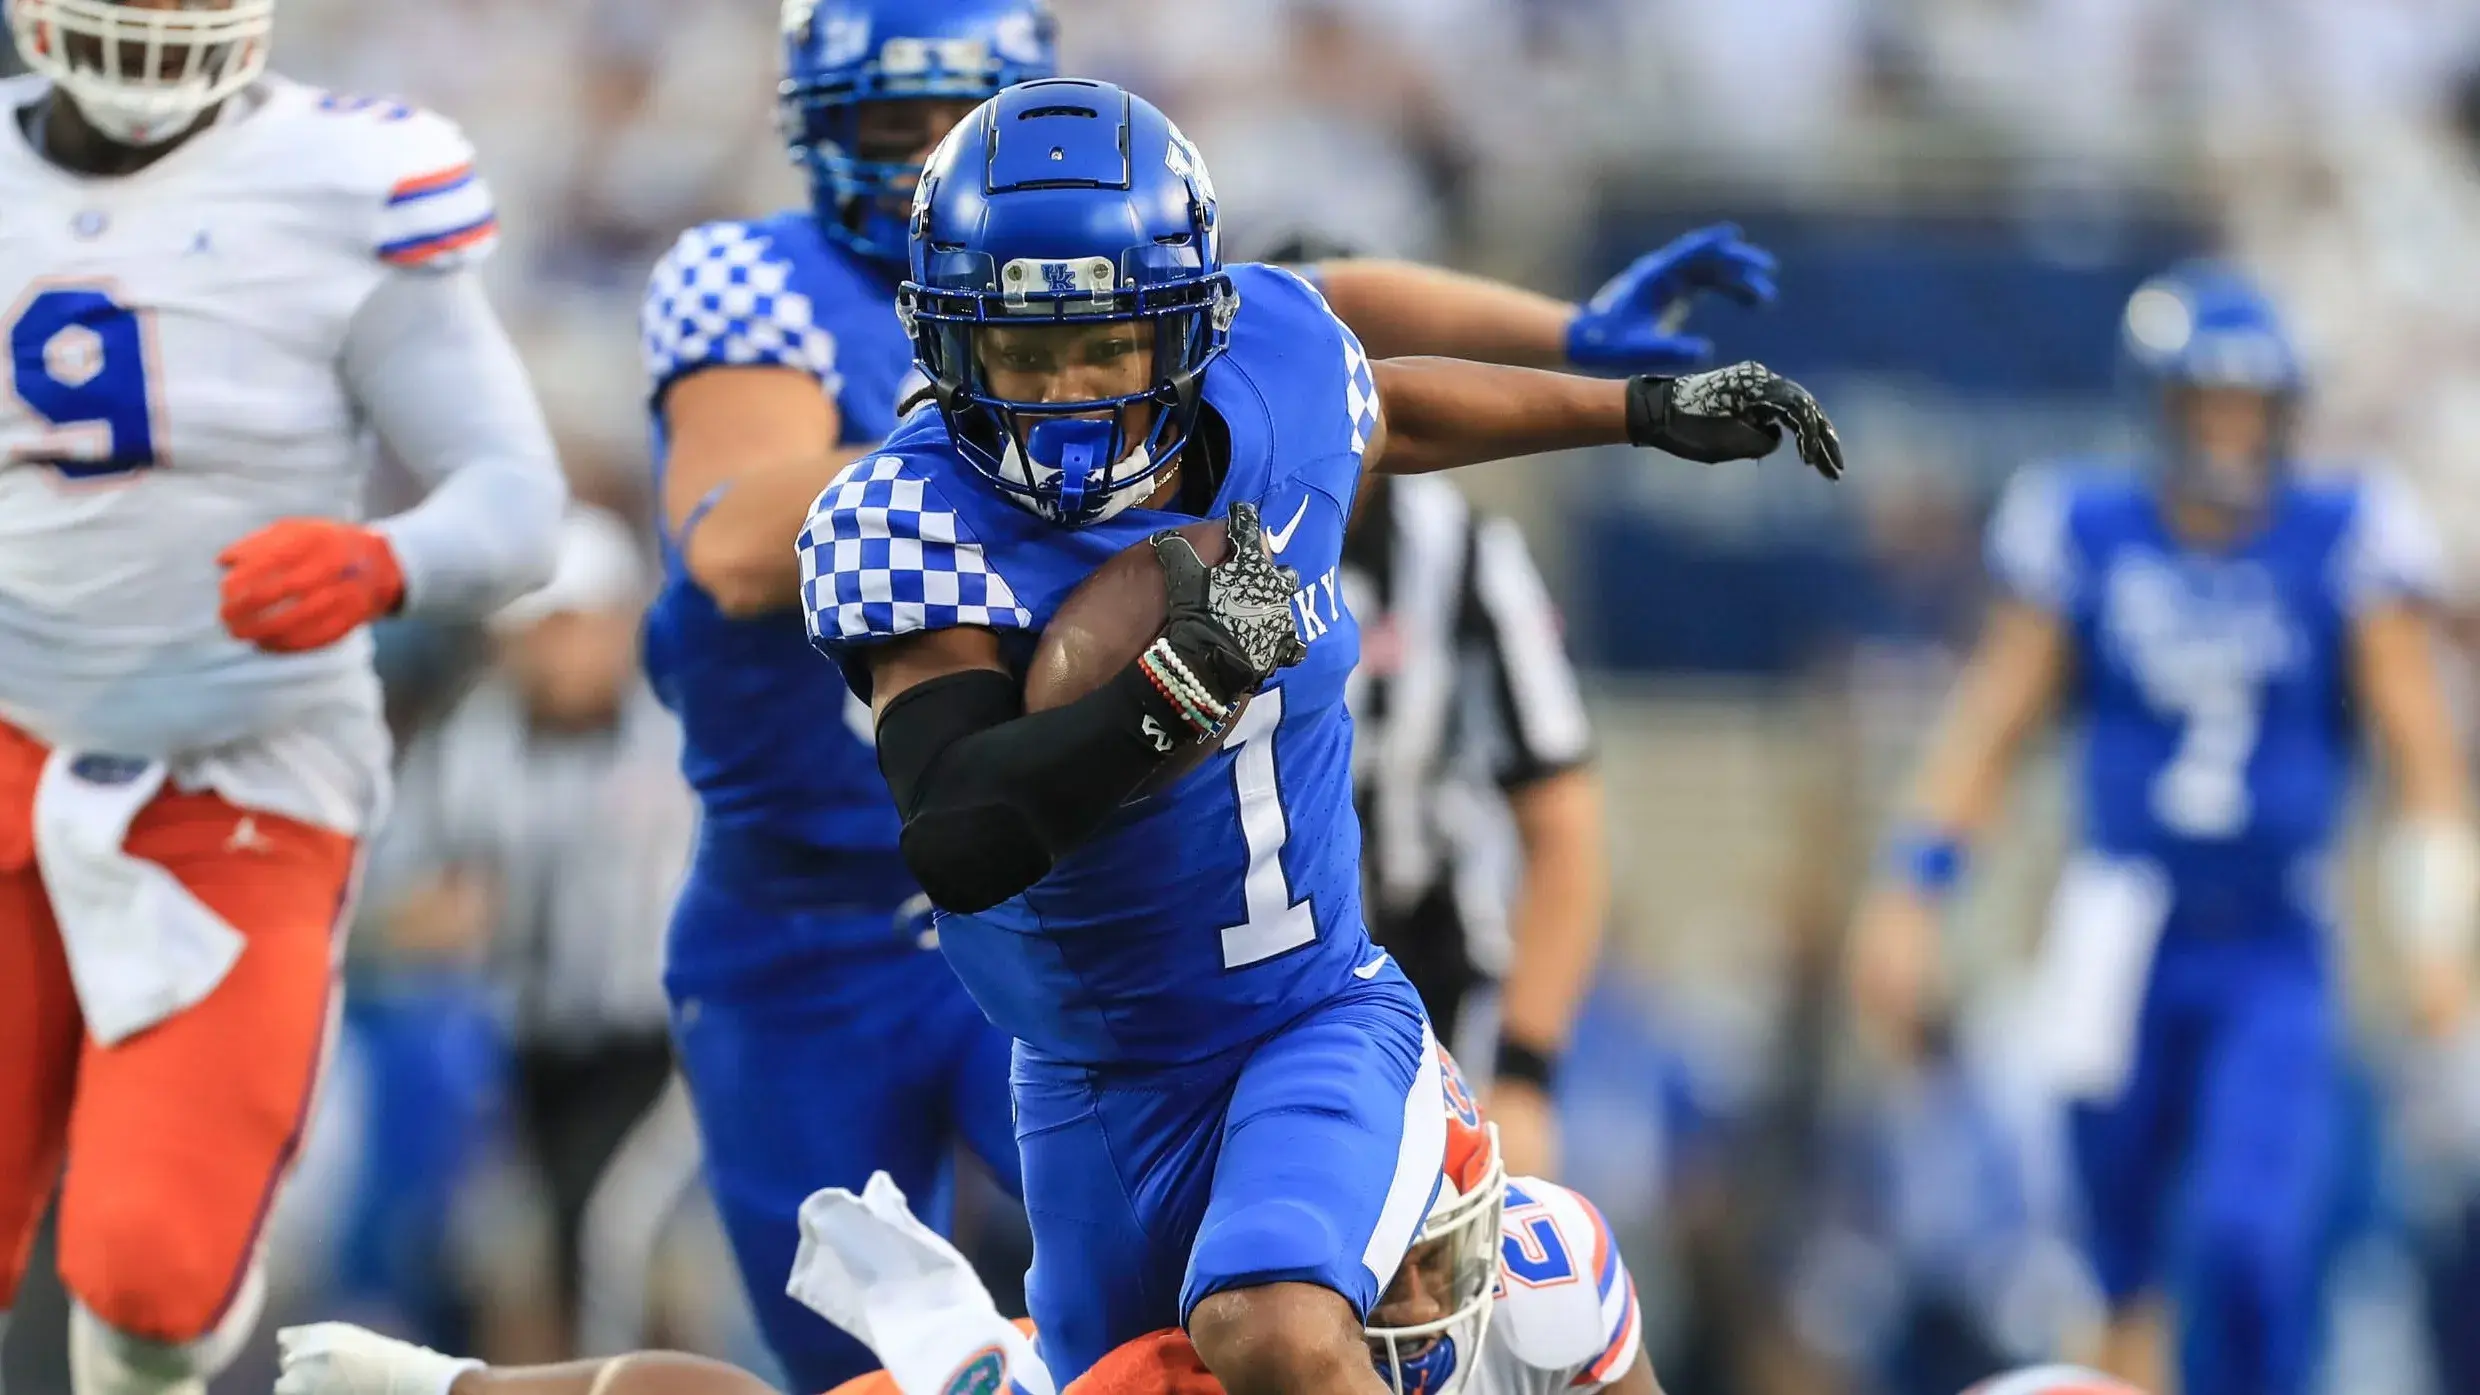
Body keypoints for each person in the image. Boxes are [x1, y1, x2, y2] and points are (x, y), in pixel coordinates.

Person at [643, 1, 1777, 1385]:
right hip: (1086, 1077)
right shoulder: (903, 514)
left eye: (1103, 350)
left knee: (1278, 1326)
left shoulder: (1285, 368)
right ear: (946, 344)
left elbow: (1392, 406)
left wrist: (1637, 409)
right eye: (1022, 354)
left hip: (1309, 1013)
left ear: (1185, 327)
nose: (1064, 398)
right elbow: (958, 826)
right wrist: (1177, 687)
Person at [0, 3, 565, 1394]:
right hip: (9, 727)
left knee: (149, 1275)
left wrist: (387, 560)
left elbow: (515, 502)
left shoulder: (344, 179)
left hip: (243, 771)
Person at [1847, 260, 2479, 1395]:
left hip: (2268, 942)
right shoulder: (2084, 524)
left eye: (2253, 405)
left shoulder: (2340, 531)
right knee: (2109, 1268)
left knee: (2248, 1245)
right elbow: (1989, 728)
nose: (2233, 432)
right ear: (2164, 404)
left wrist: (2436, 929)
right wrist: (1909, 891)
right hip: (2116, 932)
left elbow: (2422, 763)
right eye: (2211, 404)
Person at [272, 1047, 1664, 1395]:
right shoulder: (1199, 1359)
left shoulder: (1553, 1270)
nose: (1427, 1282)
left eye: (1444, 1244)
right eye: (1393, 1247)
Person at [376, 507, 700, 1355]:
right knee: (512, 1251)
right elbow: (395, 903)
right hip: (526, 1048)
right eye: (533, 632)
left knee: (621, 1233)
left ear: (618, 621)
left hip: (666, 1045)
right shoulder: (471, 748)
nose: (553, 653)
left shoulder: (680, 734)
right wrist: (434, 916)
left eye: (569, 626)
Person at [1341, 468, 1607, 1180]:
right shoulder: (1195, 524)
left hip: (1432, 977)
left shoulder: (1461, 550)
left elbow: (1564, 827)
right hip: (1237, 979)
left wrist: (1523, 1076)